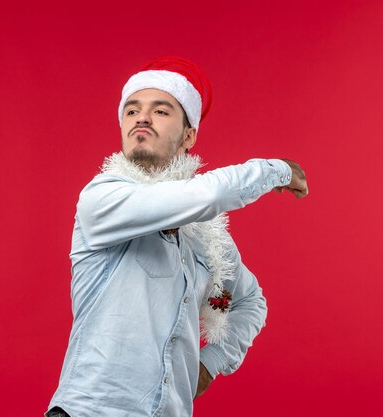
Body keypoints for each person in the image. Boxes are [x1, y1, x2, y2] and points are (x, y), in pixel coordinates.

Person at [46, 56, 308, 417]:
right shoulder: (102, 198)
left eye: (161, 111)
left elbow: (251, 301)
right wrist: (274, 171)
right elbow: (207, 195)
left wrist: (209, 365)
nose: (142, 117)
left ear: (189, 135)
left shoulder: (207, 236)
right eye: (132, 110)